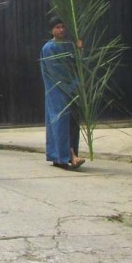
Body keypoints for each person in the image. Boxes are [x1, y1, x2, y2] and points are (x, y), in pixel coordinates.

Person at [40, 17, 86, 170]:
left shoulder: (68, 46)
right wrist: (72, 85)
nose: (61, 30)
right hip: (57, 92)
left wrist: (79, 51)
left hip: (72, 90)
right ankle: (67, 156)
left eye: (62, 27)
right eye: (57, 27)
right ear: (51, 30)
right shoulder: (48, 48)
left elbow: (77, 65)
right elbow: (56, 73)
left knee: (72, 122)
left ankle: (65, 156)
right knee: (60, 123)